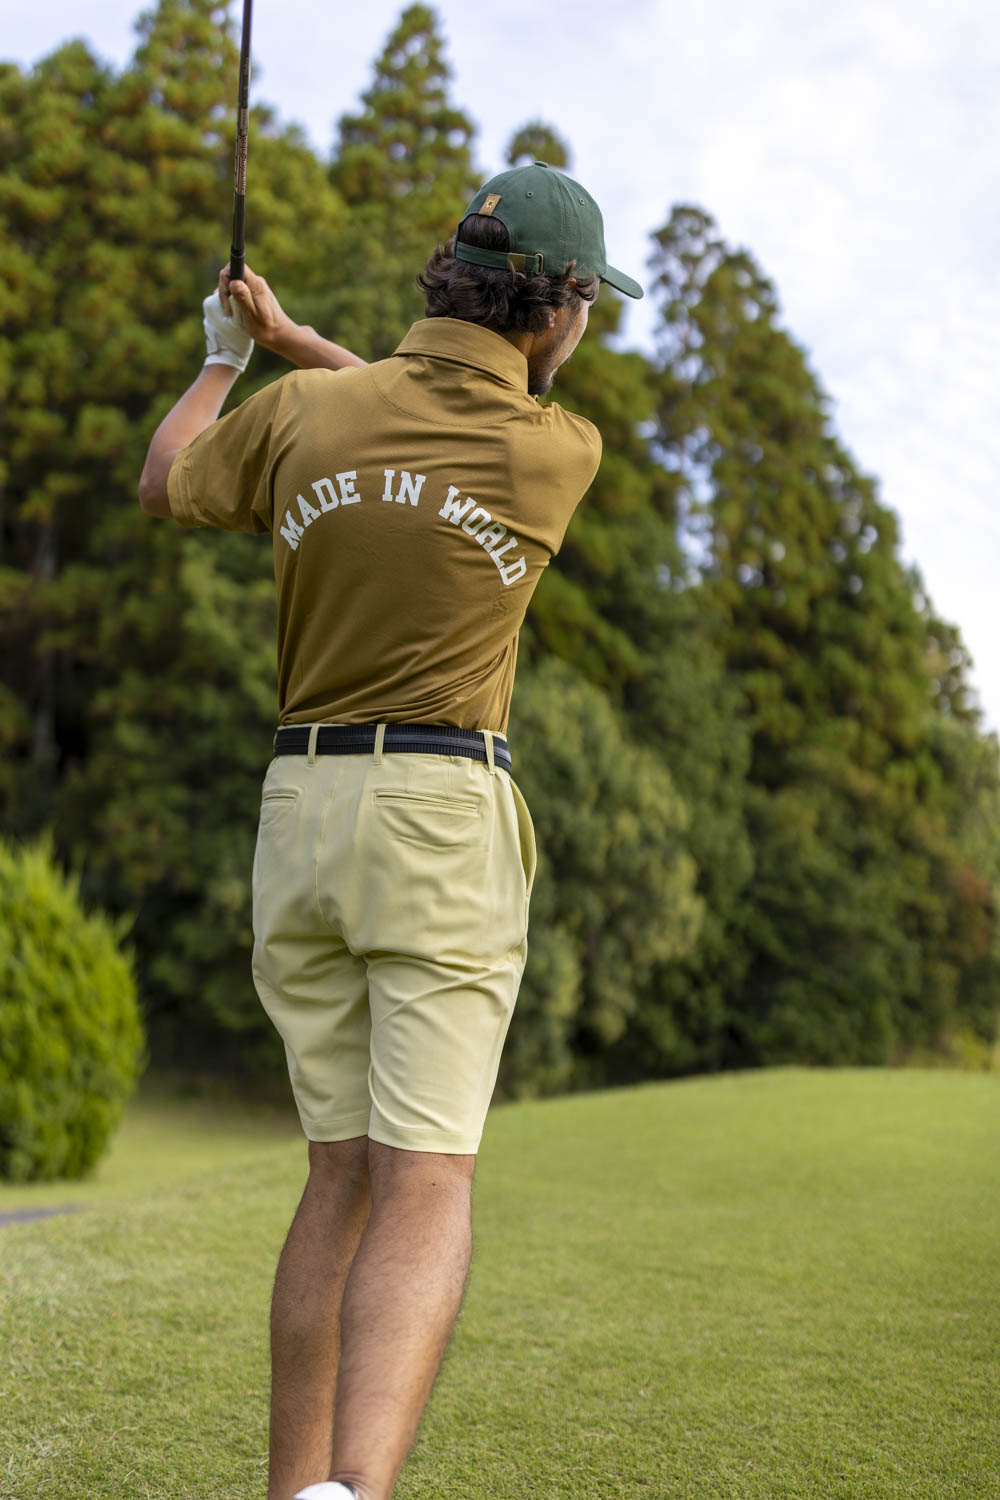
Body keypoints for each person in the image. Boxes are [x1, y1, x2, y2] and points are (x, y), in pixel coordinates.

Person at [138, 160, 642, 1500]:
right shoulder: (556, 452)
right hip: (438, 817)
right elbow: (434, 432)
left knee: (338, 1179)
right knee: (424, 1185)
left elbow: (171, 477)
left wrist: (235, 358)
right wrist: (301, 348)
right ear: (555, 312)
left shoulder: (307, 413)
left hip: (300, 818)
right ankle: (351, 1496)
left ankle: (290, 1493)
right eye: (587, 308)